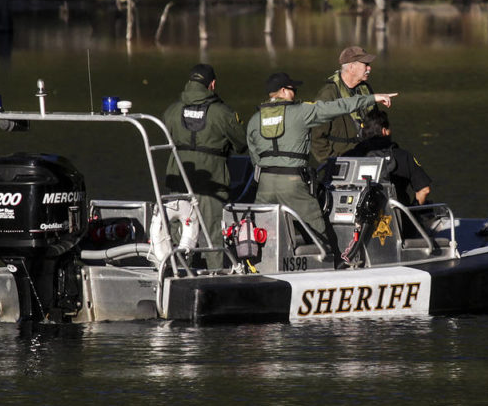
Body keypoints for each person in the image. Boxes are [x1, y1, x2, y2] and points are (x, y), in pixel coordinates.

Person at [247, 72, 397, 253]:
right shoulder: (301, 111)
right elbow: (338, 106)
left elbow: (254, 156)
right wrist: (372, 98)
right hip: (293, 183)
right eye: (293, 89)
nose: (295, 92)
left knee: (264, 232)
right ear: (284, 91)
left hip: (265, 184)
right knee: (319, 231)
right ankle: (332, 264)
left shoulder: (255, 119)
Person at [163, 63, 247, 268]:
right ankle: (215, 275)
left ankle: (177, 272)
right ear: (212, 84)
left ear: (190, 82)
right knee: (212, 234)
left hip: (179, 180)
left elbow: (167, 136)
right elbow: (242, 144)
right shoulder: (222, 112)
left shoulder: (172, 111)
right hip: (212, 183)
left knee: (179, 231)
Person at [345, 107, 431, 207]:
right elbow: (425, 189)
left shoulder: (351, 155)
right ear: (384, 131)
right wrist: (413, 211)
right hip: (397, 218)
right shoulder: (403, 156)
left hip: (358, 216)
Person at [310, 46, 379, 163]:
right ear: (351, 67)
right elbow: (315, 137)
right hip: (340, 160)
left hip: (368, 157)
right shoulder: (328, 94)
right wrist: (330, 161)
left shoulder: (365, 89)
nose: (369, 68)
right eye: (365, 65)